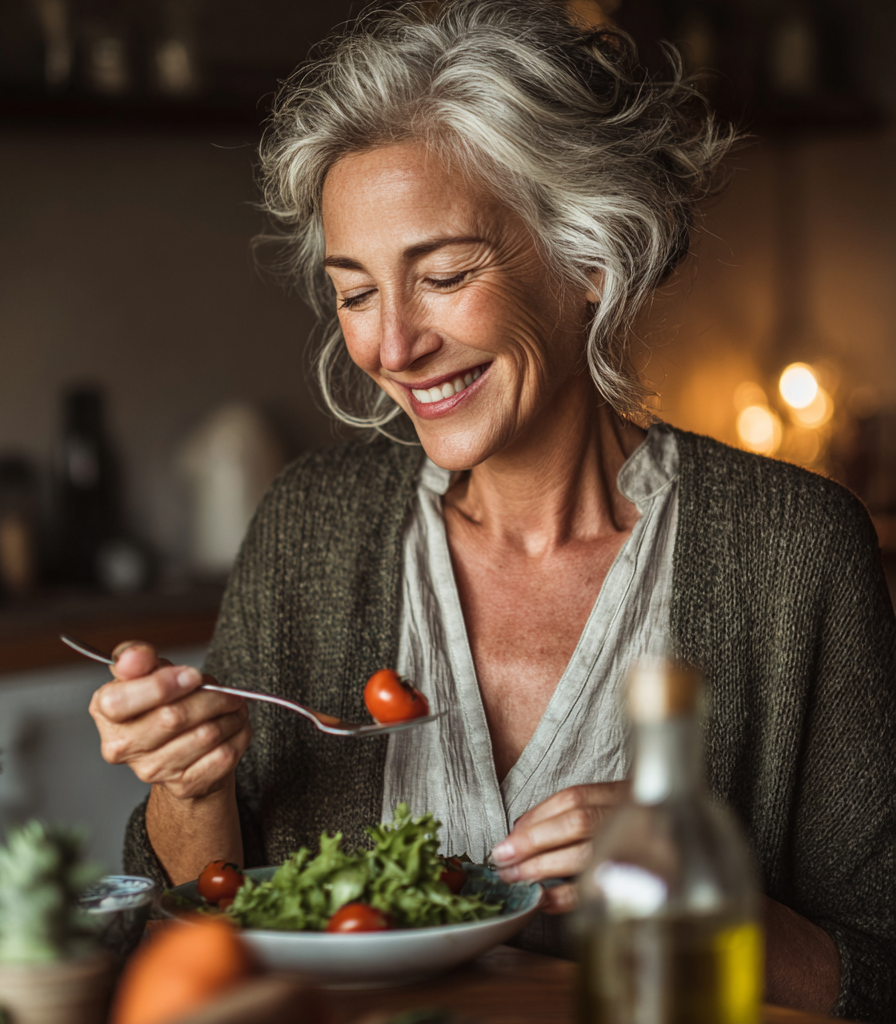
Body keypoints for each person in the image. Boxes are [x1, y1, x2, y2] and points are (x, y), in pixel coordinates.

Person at [88, 3, 895, 1020]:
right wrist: (189, 785)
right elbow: (201, 942)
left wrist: (700, 892)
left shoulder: (790, 552)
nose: (390, 346)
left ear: (589, 259)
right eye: (356, 291)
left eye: (443, 275)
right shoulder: (310, 528)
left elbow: (880, 969)